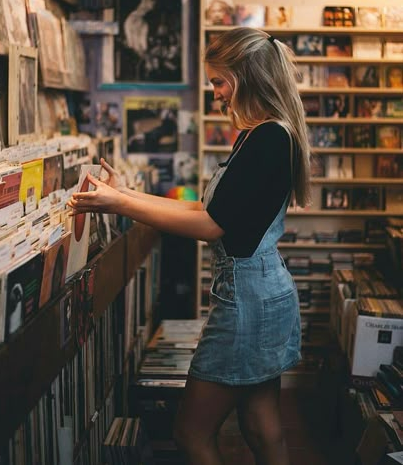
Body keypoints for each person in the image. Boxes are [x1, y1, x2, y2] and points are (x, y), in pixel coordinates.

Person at [68, 27, 311, 465]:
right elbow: (205, 211)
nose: (216, 93)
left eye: (220, 81)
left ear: (245, 76)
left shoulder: (268, 139)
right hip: (261, 293)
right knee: (261, 424)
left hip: (248, 302)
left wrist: (121, 203)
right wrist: (126, 195)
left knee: (191, 433)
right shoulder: (263, 135)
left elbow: (211, 226)